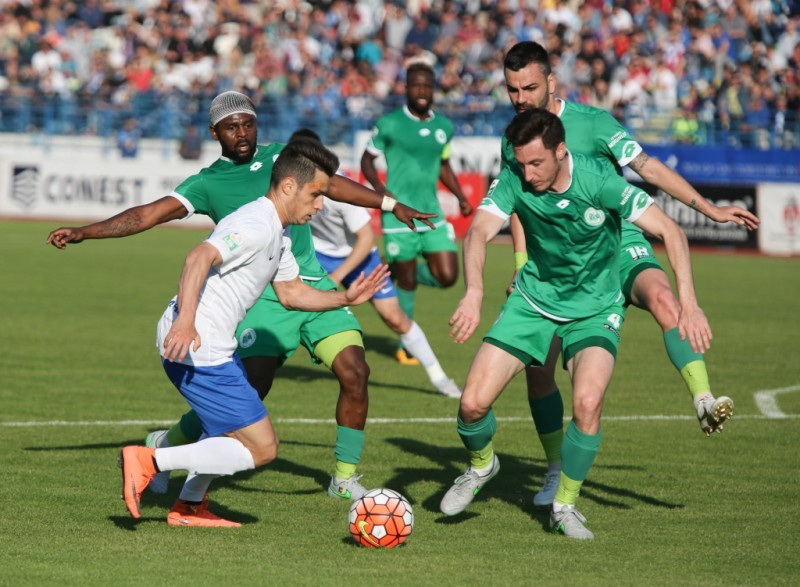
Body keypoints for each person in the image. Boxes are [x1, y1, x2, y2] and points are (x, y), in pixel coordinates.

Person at [47, 91, 436, 502]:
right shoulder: (209, 183)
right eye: (231, 127)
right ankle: (166, 452)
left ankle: (343, 478)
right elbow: (147, 215)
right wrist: (86, 231)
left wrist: (390, 205)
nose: (242, 133)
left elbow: (332, 184)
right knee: (247, 394)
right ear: (215, 132)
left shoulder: (282, 161)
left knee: (356, 371)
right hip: (263, 297)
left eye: (248, 123)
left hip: (308, 285)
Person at [500, 42, 754, 507]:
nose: (520, 97)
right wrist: (521, 267)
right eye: (513, 89)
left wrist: (710, 209)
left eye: (529, 87)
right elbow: (518, 206)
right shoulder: (514, 139)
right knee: (540, 371)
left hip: (616, 246)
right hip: (559, 270)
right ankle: (555, 468)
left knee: (664, 299)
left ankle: (702, 398)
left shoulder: (594, 123)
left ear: (551, 82)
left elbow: (648, 166)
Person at [441, 108, 711, 540]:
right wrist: (474, 293)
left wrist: (691, 305)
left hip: (594, 309)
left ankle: (564, 505)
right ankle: (481, 466)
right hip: (532, 302)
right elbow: (477, 232)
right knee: (472, 404)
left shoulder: (600, 181)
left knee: (587, 404)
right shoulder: (514, 174)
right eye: (522, 164)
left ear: (560, 151)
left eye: (536, 164)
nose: (527, 175)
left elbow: (671, 232)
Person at [119, 138, 390, 526]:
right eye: (316, 195)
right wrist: (186, 319)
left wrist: (346, 296)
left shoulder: (278, 236)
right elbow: (199, 256)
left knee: (233, 433)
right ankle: (151, 459)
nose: (321, 205)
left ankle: (188, 506)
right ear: (288, 187)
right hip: (199, 346)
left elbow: (292, 293)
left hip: (212, 344)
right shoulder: (256, 225)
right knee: (261, 450)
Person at [297, 127, 460, 399]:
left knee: (394, 318)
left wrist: (335, 278)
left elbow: (365, 240)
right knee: (288, 311)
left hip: (359, 257)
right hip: (317, 256)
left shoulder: (339, 190)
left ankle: (439, 377)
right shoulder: (289, 185)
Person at [361, 62, 473, 366]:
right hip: (398, 215)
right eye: (416, 85)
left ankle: (394, 270)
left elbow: (445, 166)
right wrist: (380, 191)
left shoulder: (444, 128)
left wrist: (461, 196)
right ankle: (406, 346)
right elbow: (367, 161)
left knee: (448, 276)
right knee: (408, 283)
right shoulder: (389, 124)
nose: (422, 91)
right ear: (406, 88)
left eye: (427, 85)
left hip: (432, 213)